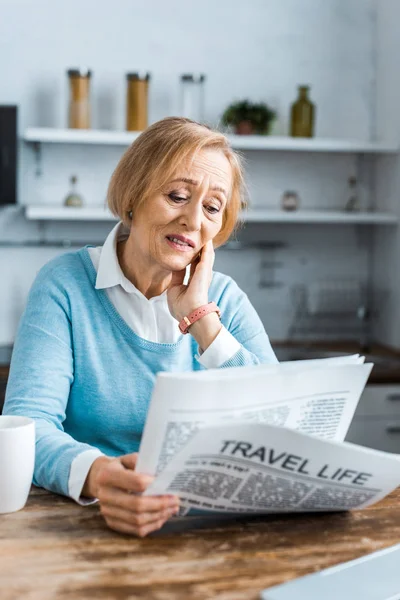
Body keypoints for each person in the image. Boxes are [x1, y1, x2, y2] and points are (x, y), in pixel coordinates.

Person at [4, 117, 277, 537]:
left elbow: (280, 425)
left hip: (207, 529)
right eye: (177, 195)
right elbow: (28, 425)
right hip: (90, 522)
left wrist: (203, 320)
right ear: (134, 196)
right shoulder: (64, 284)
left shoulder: (226, 299)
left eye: (211, 207)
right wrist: (99, 476)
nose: (192, 219)